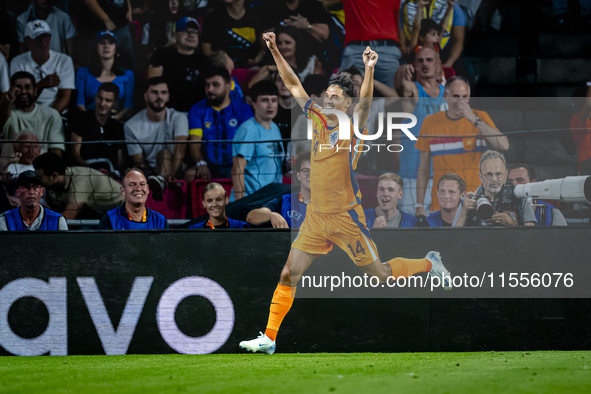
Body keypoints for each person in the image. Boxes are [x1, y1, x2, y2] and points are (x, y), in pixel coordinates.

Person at [239, 32, 451, 355]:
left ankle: (429, 262)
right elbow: (294, 84)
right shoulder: (317, 118)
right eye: (327, 95)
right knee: (288, 272)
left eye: (335, 97)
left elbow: (366, 102)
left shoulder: (354, 128)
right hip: (315, 217)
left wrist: (368, 69)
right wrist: (273, 52)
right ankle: (269, 338)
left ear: (346, 103)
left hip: (346, 218)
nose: (328, 100)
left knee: (380, 274)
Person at [415, 76, 509, 216]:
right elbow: (423, 169)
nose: (461, 101)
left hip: (476, 200)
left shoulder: (479, 116)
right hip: (443, 202)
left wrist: (474, 120)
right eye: (456, 96)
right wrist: (419, 206)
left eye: (464, 96)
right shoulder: (430, 122)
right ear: (445, 96)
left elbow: (503, 145)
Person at [394, 46, 446, 214]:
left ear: (438, 65)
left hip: (445, 175)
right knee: (412, 232)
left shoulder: (449, 95)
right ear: (414, 65)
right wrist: (401, 71)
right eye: (420, 60)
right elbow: (401, 87)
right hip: (413, 177)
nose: (425, 64)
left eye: (429, 60)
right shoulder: (413, 91)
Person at [124, 78, 188, 200]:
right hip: (148, 172)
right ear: (145, 96)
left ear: (168, 96)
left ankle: (161, 182)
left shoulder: (179, 118)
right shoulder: (131, 125)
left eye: (163, 92)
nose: (159, 96)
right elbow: (138, 160)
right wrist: (146, 177)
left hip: (175, 167)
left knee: (164, 154)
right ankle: (157, 183)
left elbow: (181, 148)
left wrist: (172, 174)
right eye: (154, 92)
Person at [188, 67, 253, 180]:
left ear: (228, 87)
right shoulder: (197, 109)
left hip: (235, 165)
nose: (210, 89)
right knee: (190, 175)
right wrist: (200, 163)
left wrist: (238, 167)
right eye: (207, 85)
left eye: (215, 84)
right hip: (208, 166)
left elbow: (247, 142)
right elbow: (195, 141)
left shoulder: (243, 109)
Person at [231, 81, 284, 201]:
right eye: (264, 100)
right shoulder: (248, 129)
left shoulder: (275, 127)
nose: (270, 105)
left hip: (269, 200)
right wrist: (241, 204)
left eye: (273, 100)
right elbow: (237, 170)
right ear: (253, 103)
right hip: (251, 202)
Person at [10, 20, 75, 113]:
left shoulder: (64, 60)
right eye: (38, 39)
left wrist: (49, 118)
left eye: (46, 38)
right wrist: (41, 84)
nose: (44, 43)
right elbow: (19, 98)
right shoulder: (17, 61)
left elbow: (64, 97)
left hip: (56, 114)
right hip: (25, 113)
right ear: (27, 41)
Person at [33, 152, 123, 219]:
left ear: (54, 176)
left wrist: (37, 218)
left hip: (121, 209)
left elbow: (68, 217)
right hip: (97, 212)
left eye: (40, 177)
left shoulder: (80, 180)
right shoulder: (54, 186)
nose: (38, 181)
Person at [457, 151, 536, 227]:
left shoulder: (519, 197)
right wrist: (464, 212)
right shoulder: (468, 201)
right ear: (480, 177)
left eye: (498, 174)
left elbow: (531, 234)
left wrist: (513, 224)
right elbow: (453, 236)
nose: (494, 179)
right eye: (489, 174)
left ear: (505, 175)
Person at [150, 17, 210, 112]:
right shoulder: (161, 55)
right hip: (166, 112)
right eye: (186, 31)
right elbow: (151, 86)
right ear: (175, 35)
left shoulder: (204, 60)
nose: (191, 35)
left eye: (195, 32)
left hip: (195, 113)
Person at [339, 0, 403, 88]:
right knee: (347, 96)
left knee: (395, 98)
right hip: (359, 50)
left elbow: (398, 18)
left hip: (387, 49)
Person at [0, 72, 65, 158]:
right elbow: (3, 119)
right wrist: (9, 98)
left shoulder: (51, 115)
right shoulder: (8, 114)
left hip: (41, 168)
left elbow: (56, 152)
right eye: (18, 87)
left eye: (27, 87)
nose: (23, 91)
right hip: (11, 168)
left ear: (35, 91)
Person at [75, 30, 134, 120]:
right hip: (89, 121)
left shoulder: (128, 74)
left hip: (116, 123)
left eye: (111, 43)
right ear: (96, 48)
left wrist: (111, 122)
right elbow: (80, 105)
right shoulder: (83, 72)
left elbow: (128, 108)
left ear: (115, 48)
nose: (106, 46)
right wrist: (94, 123)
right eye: (102, 43)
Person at [70, 82, 126, 176]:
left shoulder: (118, 127)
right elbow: (75, 154)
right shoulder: (81, 119)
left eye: (108, 100)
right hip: (84, 172)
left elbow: (119, 162)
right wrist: (93, 171)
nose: (102, 103)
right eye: (100, 98)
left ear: (115, 104)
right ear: (95, 97)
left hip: (110, 174)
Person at [246, 150, 311, 228]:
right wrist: (272, 215)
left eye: (315, 171)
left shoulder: (328, 204)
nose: (310, 175)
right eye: (305, 171)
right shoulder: (285, 201)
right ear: (298, 175)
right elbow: (251, 217)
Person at [400, 0, 465, 68]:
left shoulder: (436, 48)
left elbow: (443, 26)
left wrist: (449, 8)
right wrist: (419, 8)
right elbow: (417, 27)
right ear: (421, 38)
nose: (437, 37)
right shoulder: (415, 48)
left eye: (437, 34)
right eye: (433, 34)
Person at [98, 168, 169, 230]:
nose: (138, 188)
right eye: (132, 184)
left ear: (147, 189)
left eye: (142, 184)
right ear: (123, 190)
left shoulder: (160, 221)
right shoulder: (109, 218)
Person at [202, 0, 264, 67]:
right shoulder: (213, 17)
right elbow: (206, 50)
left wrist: (257, 60)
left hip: (251, 68)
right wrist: (221, 61)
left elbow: (263, 47)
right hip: (222, 69)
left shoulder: (255, 15)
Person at [0, 170, 67, 231]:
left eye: (36, 187)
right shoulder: (4, 220)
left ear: (42, 191)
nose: (31, 192)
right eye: (26, 187)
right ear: (17, 192)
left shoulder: (58, 220)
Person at [81, 0, 135, 70]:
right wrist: (106, 19)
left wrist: (129, 8)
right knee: (100, 69)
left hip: (122, 24)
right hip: (99, 27)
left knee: (127, 65)